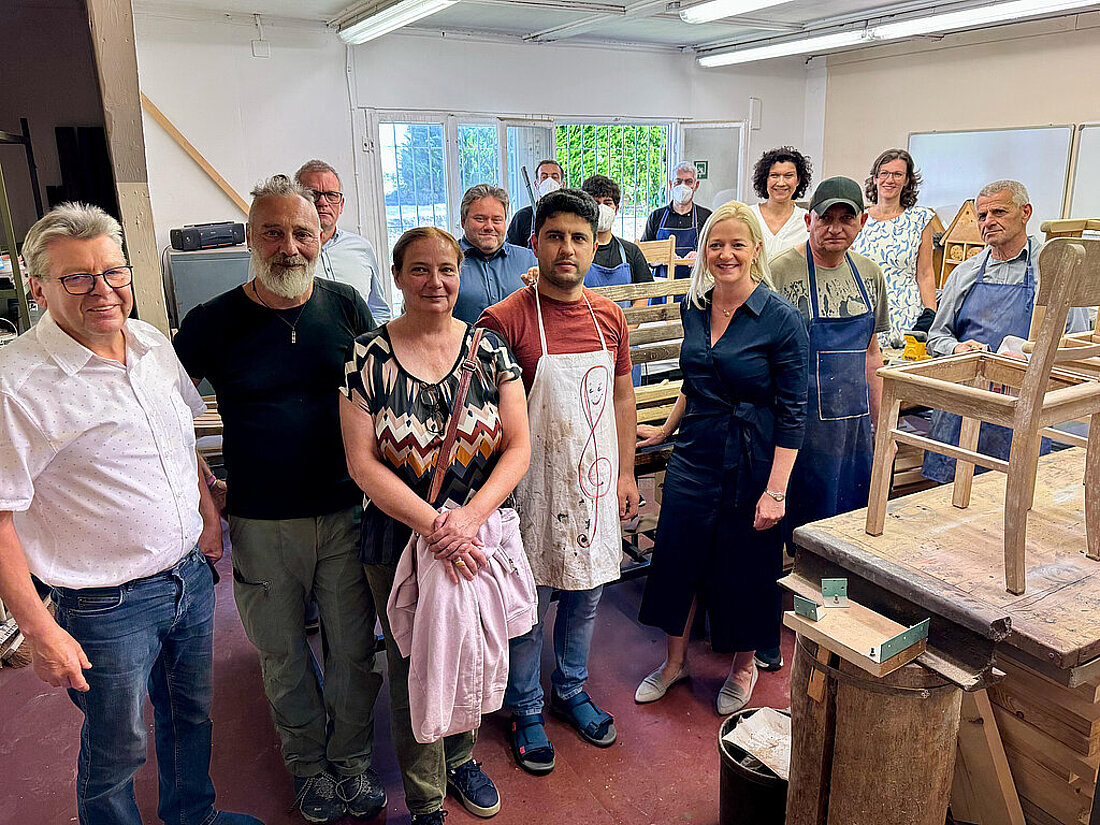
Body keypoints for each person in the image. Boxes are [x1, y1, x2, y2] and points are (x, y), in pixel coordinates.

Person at [0, 203, 263, 825]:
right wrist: (39, 629)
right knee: (118, 747)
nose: (104, 291)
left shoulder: (147, 342)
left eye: (113, 272)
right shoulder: (17, 386)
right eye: (77, 278)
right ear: (37, 288)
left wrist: (206, 515)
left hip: (187, 579)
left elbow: (180, 437)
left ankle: (191, 816)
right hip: (103, 605)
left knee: (190, 716)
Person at [174, 176, 384, 825]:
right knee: (284, 654)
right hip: (261, 523)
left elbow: (383, 393)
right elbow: (162, 417)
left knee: (352, 647)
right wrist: (208, 499)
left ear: (320, 237)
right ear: (251, 239)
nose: (289, 245)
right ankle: (309, 768)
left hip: (346, 513)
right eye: (274, 232)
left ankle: (350, 761)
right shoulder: (213, 322)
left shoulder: (345, 305)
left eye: (301, 232)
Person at [340, 226, 530, 825]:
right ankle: (426, 797)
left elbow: (518, 446)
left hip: (476, 538)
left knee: (471, 645)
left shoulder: (490, 350)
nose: (435, 282)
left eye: (446, 269)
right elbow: (361, 463)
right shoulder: (368, 357)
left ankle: (463, 759)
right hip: (397, 539)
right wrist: (435, 526)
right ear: (397, 277)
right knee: (414, 666)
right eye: (419, 270)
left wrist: (468, 520)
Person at [478, 188, 641, 776]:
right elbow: (486, 416)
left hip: (593, 480)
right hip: (531, 488)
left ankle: (571, 688)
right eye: (555, 236)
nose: (567, 248)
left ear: (596, 243)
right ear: (535, 241)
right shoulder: (504, 319)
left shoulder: (610, 316)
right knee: (531, 600)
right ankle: (525, 707)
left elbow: (622, 396)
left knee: (587, 593)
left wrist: (625, 472)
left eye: (579, 236)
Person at [634, 202, 808, 715]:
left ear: (757, 250)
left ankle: (744, 666)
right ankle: (674, 662)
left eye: (737, 244)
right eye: (716, 244)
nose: (726, 254)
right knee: (677, 555)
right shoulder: (696, 307)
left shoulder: (780, 318)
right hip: (696, 449)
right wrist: (665, 428)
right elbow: (695, 379)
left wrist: (775, 491)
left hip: (754, 456)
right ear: (704, 251)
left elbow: (793, 411)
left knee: (746, 564)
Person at [770, 177, 888, 575]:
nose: (835, 228)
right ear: (809, 221)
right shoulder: (780, 273)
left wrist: (880, 422)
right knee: (799, 524)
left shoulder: (870, 274)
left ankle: (837, 603)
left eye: (846, 219)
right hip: (799, 427)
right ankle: (800, 603)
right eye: (826, 218)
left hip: (853, 429)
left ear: (862, 222)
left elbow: (872, 355)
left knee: (850, 522)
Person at [922, 179, 1070, 483]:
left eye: (999, 212)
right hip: (962, 407)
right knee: (946, 500)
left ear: (1025, 212)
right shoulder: (965, 273)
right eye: (982, 216)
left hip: (1021, 409)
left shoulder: (1052, 273)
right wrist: (957, 349)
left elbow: (1069, 344)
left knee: (1011, 497)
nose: (988, 222)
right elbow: (936, 337)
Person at [851, 149, 937, 348]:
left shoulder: (920, 219)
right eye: (885, 173)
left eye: (898, 174)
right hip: (862, 313)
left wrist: (930, 313)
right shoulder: (858, 218)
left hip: (906, 316)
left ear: (907, 180)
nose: (890, 180)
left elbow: (925, 273)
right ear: (875, 178)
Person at [295, 159, 391, 322]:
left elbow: (378, 310)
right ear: (296, 200)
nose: (323, 202)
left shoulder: (362, 248)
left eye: (331, 195)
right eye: (313, 195)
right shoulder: (283, 252)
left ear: (341, 204)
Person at [454, 183, 537, 323]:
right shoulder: (445, 261)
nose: (489, 227)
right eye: (480, 219)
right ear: (463, 221)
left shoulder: (530, 259)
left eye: (497, 220)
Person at [580, 174, 654, 300]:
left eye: (607, 203)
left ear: (616, 208)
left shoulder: (631, 251)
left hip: (625, 318)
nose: (602, 208)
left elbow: (644, 294)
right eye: (596, 203)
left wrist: (631, 318)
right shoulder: (576, 250)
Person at [641, 161, 713, 280]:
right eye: (678, 181)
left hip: (694, 287)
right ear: (670, 185)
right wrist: (660, 257)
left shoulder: (706, 217)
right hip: (662, 288)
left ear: (696, 185)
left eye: (688, 181)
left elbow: (715, 251)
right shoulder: (656, 217)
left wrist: (701, 257)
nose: (682, 186)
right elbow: (642, 254)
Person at [748, 146, 812, 261]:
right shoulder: (748, 216)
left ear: (798, 180)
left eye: (788, 176)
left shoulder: (807, 221)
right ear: (765, 179)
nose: (781, 183)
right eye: (774, 176)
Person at [506, 159, 563, 248]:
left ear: (562, 184)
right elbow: (510, 252)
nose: (550, 181)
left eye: (555, 177)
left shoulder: (571, 217)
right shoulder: (522, 217)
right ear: (536, 185)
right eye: (544, 177)